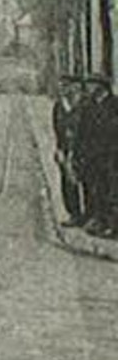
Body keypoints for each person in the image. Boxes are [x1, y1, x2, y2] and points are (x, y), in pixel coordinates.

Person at [75, 75, 117, 238]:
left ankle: (113, 226)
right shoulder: (89, 106)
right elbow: (81, 132)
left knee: (112, 192)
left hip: (112, 157)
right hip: (94, 157)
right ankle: (100, 221)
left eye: (92, 85)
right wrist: (79, 153)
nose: (89, 88)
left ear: (102, 87)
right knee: (96, 190)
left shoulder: (115, 105)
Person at [51, 73, 87, 228]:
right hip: (66, 148)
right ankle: (74, 213)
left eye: (66, 86)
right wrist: (59, 148)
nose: (63, 89)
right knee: (67, 181)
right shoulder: (59, 105)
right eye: (61, 87)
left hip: (83, 148)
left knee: (87, 182)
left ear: (75, 86)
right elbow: (57, 128)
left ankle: (90, 214)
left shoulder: (84, 103)